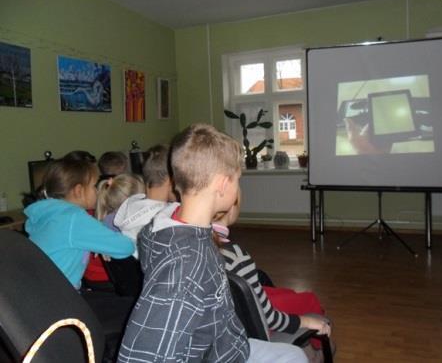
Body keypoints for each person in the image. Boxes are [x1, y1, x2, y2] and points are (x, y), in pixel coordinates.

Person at [118, 124, 308, 363]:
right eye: (237, 180)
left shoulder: (162, 226)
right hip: (214, 356)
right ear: (222, 184)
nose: (238, 188)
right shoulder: (188, 263)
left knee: (294, 355)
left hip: (225, 345)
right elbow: (143, 355)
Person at [213, 190, 331, 351]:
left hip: (231, 314)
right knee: (309, 300)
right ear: (231, 205)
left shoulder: (192, 242)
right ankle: (320, 347)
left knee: (283, 292)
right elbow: (268, 318)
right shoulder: (235, 255)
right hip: (251, 329)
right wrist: (307, 322)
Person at [24, 157, 135, 289]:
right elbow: (126, 247)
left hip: (39, 292)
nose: (97, 190)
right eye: (94, 186)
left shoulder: (49, 213)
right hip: (59, 298)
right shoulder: (73, 218)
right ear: (79, 191)